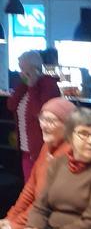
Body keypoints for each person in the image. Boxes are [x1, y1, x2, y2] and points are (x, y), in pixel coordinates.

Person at [0, 96, 75, 229]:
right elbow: (30, 189)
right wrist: (10, 217)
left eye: (51, 121)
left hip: (50, 224)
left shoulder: (70, 155)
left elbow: (45, 203)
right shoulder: (47, 147)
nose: (44, 125)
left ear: (68, 126)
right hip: (33, 218)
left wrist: (15, 224)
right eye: (42, 119)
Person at [7, 51, 61, 181]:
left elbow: (39, 113)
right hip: (25, 149)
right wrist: (24, 84)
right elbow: (11, 105)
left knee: (42, 187)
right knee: (29, 186)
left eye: (23, 68)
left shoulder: (49, 85)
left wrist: (32, 86)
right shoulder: (25, 85)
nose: (20, 72)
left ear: (34, 68)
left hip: (42, 150)